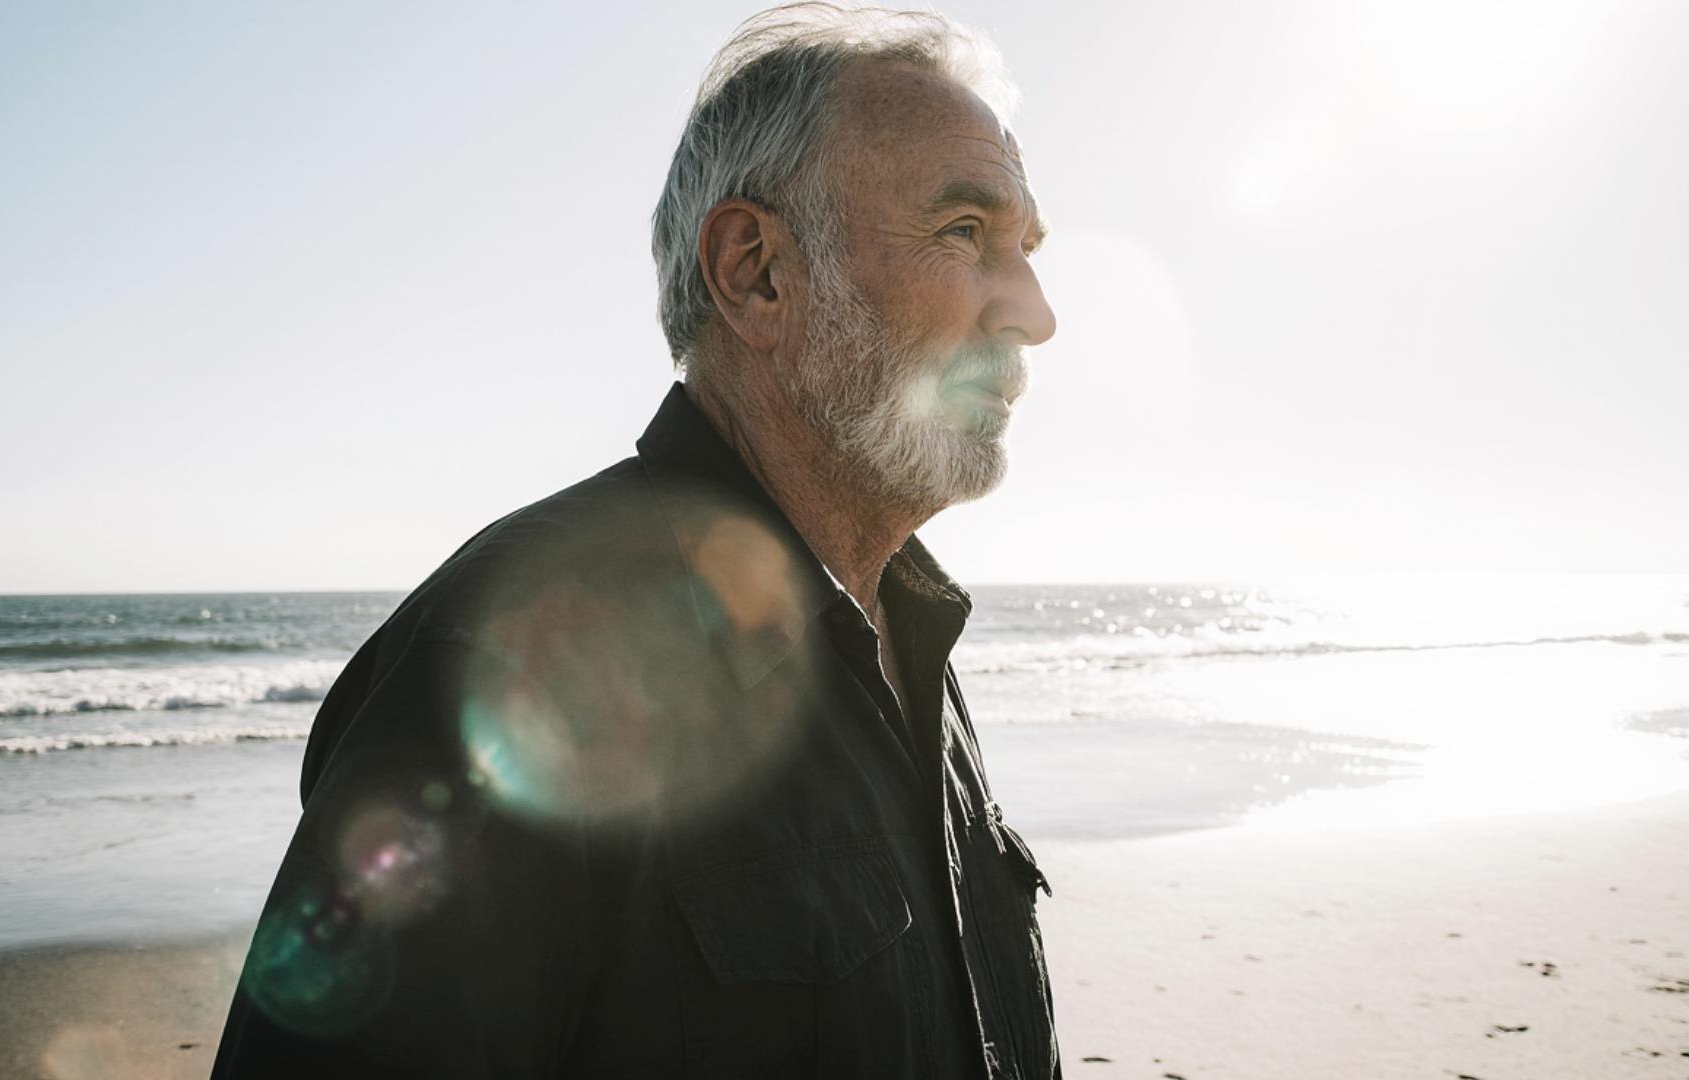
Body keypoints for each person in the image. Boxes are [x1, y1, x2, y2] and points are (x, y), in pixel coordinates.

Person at [211, 3, 1059, 1076]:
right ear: (756, 271)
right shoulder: (511, 672)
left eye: (1025, 249)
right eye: (965, 234)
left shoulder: (913, 636)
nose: (1033, 312)